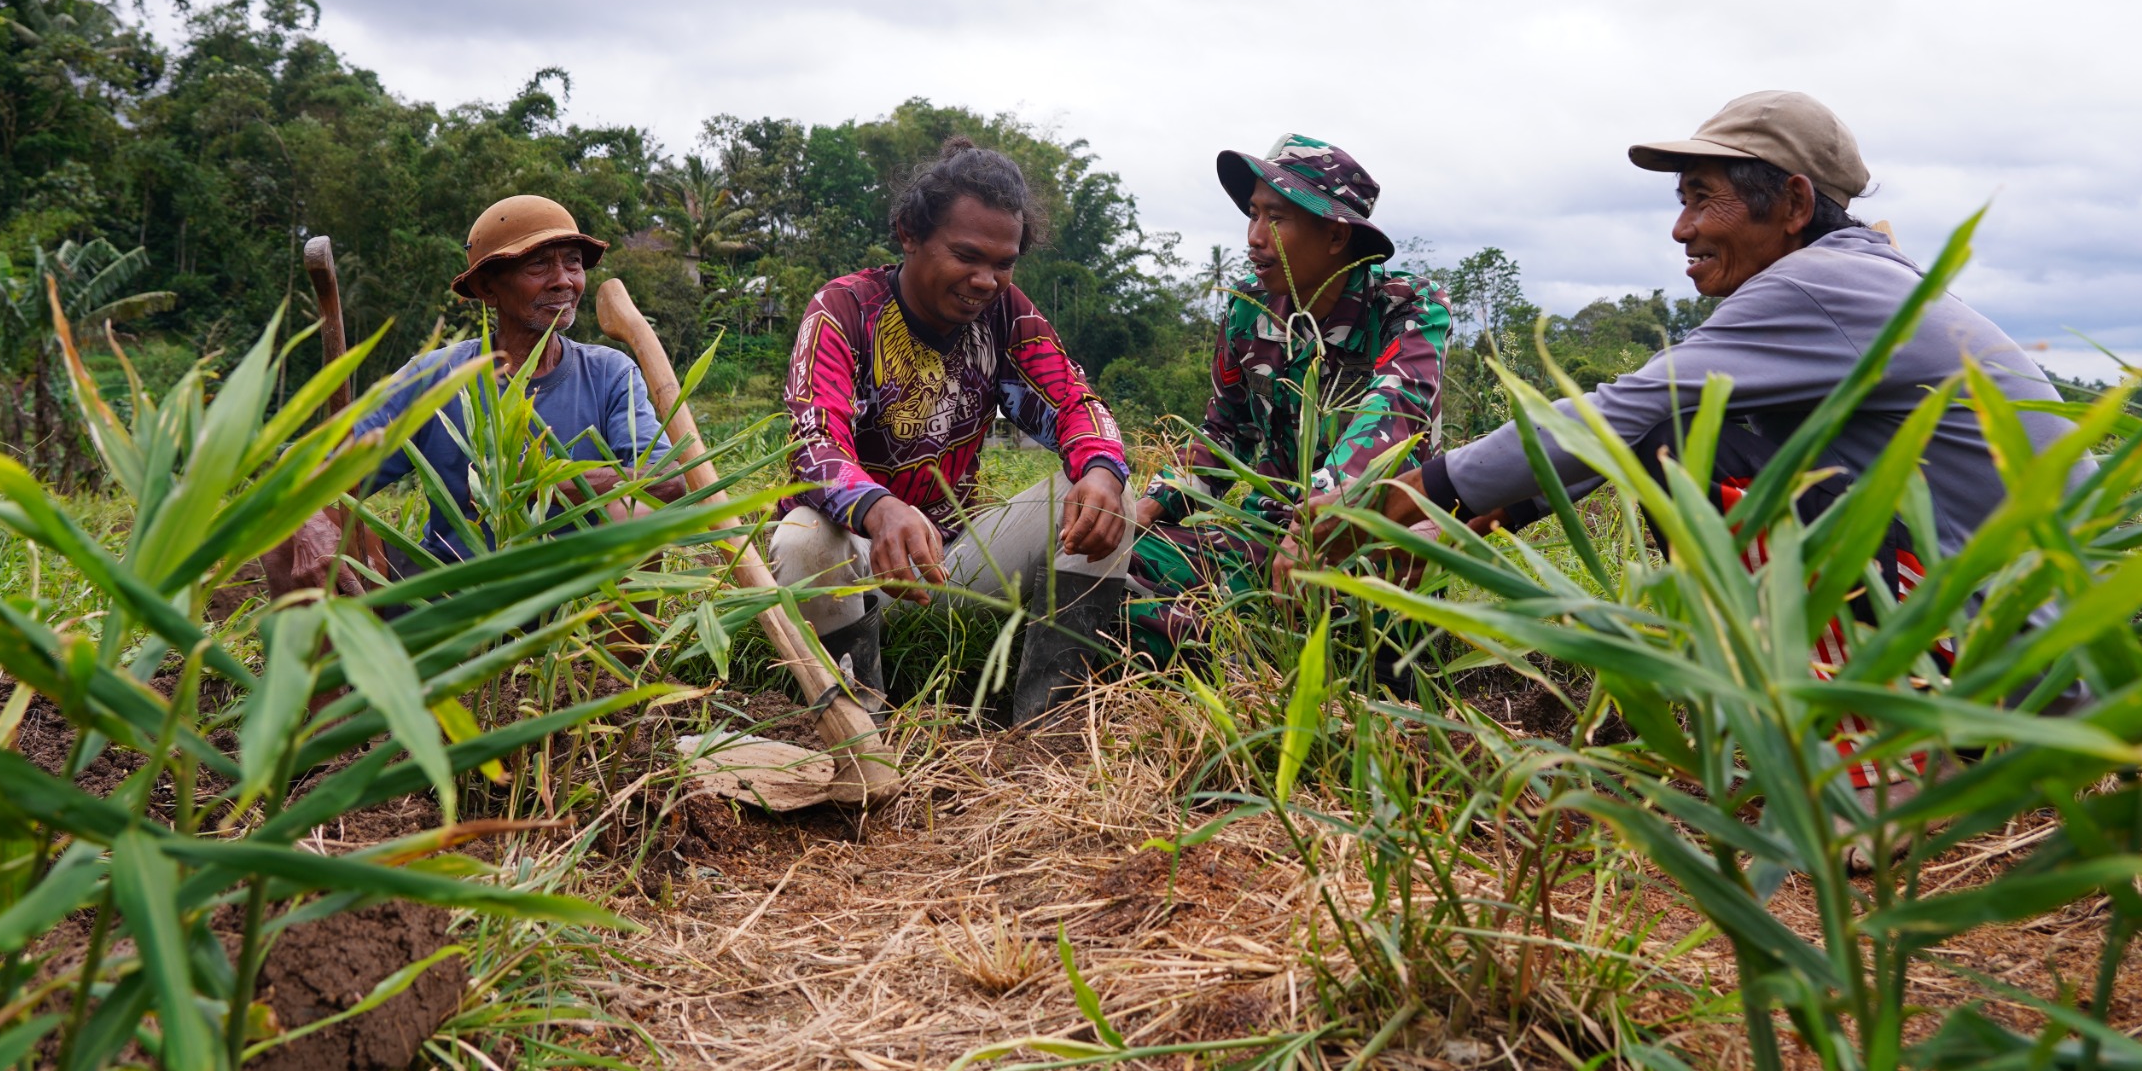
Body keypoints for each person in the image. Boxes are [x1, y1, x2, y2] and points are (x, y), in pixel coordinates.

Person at [1325, 91, 2082, 796]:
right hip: (2033, 653)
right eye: (1681, 203)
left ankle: (1900, 762)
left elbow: (1631, 414)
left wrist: (1407, 495)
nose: (1682, 229)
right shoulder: (1848, 281)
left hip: (2011, 668)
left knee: (1692, 449)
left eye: (1701, 200)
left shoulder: (1817, 285)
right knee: (1688, 434)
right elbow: (1637, 422)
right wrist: (1458, 522)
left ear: (1792, 203)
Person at [768, 137, 1135, 723]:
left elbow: (1075, 402)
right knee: (803, 537)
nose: (987, 279)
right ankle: (857, 730)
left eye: (1004, 262)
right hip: (853, 572)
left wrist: (1100, 469)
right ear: (909, 233)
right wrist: (877, 508)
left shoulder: (1007, 317)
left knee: (1103, 494)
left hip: (949, 565)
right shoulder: (844, 312)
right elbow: (813, 443)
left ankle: (1050, 727)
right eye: (967, 255)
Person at [1124, 135, 1449, 655]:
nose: (1254, 236)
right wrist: (1148, 505)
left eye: (1276, 218)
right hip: (1262, 532)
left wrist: (1317, 522)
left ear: (1336, 236)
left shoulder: (1406, 309)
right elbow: (1225, 432)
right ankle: (1221, 638)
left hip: (1366, 538)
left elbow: (1392, 421)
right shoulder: (1248, 312)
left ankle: (1253, 649)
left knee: (1351, 626)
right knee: (1111, 572)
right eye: (1253, 214)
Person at [266, 194, 680, 594]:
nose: (564, 281)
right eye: (539, 265)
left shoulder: (609, 372)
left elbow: (669, 481)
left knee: (637, 512)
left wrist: (543, 482)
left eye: (572, 263)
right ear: (487, 287)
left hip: (577, 600)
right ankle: (336, 665)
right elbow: (305, 468)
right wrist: (309, 523)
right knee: (289, 529)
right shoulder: (436, 376)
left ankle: (620, 664)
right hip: (446, 589)